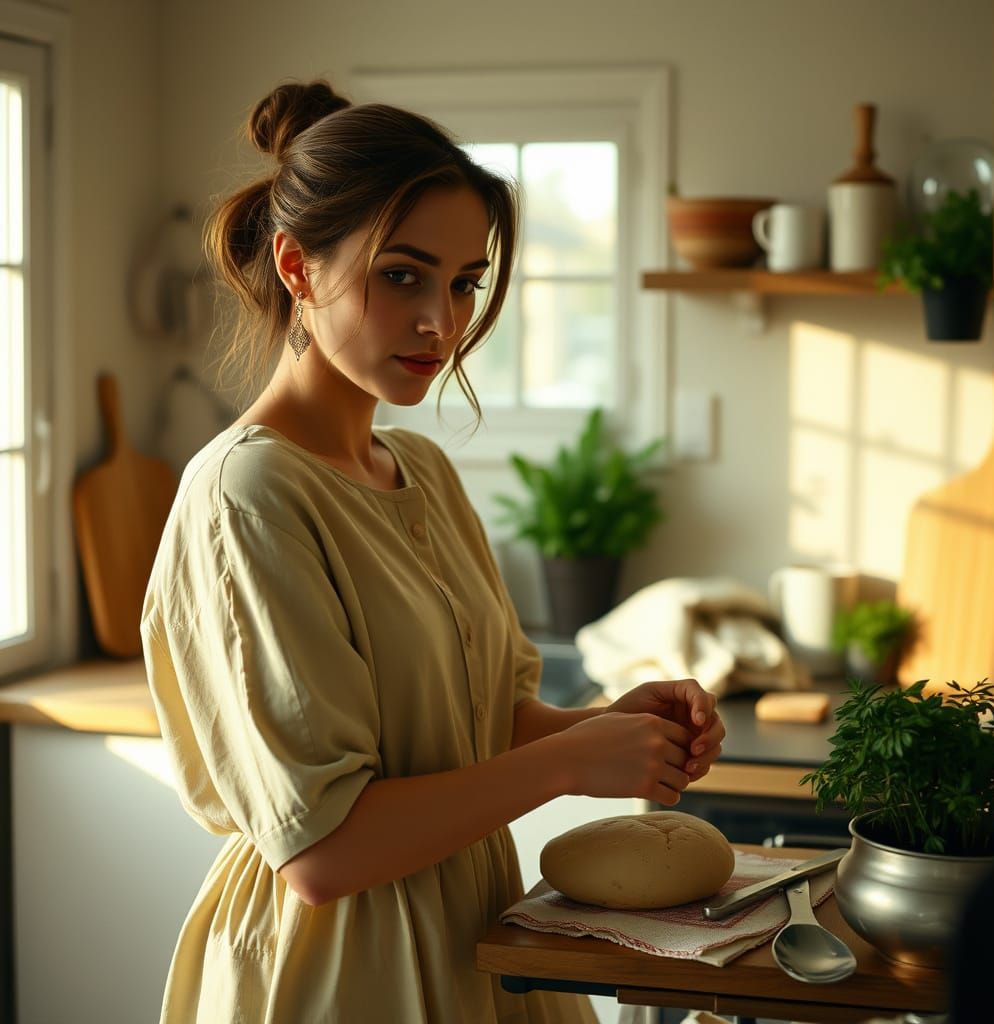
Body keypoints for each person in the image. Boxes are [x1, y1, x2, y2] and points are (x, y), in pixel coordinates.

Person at [141, 79, 726, 1024]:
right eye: (402, 275)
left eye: (463, 283)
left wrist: (610, 726)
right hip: (342, 972)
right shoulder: (246, 495)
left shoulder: (419, 471)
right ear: (296, 267)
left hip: (486, 935)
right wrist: (570, 767)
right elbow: (322, 854)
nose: (442, 324)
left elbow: (468, 726)